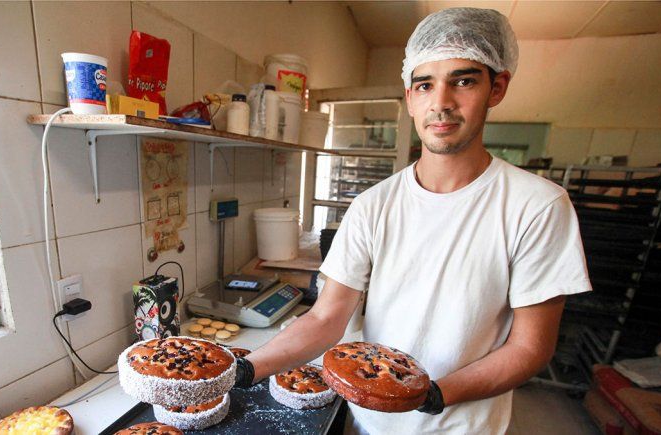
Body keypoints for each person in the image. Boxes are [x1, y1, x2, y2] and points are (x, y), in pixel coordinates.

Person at [234, 7, 591, 434]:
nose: (441, 103)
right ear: (409, 97)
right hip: (366, 422)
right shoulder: (372, 205)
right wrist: (245, 368)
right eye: (425, 85)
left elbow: (530, 347)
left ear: (496, 88)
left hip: (461, 425)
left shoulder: (537, 207)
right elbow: (326, 318)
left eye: (463, 81)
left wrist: (432, 394)